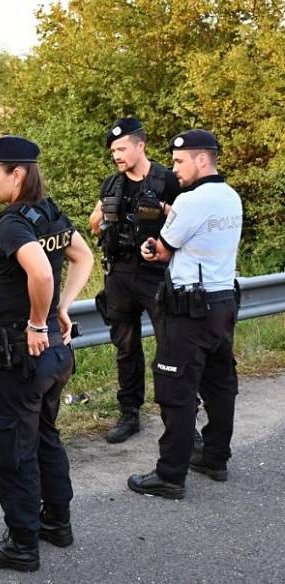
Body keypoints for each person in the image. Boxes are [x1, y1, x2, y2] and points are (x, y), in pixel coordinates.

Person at [0, 135, 94, 572]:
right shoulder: (48, 213)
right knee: (44, 437)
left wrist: (39, 320)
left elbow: (38, 269)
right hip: (54, 355)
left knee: (10, 447)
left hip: (22, 354)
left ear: (17, 174)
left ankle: (21, 545)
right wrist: (61, 308)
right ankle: (57, 523)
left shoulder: (15, 223)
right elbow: (83, 257)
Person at [128, 129, 242, 500]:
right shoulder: (231, 197)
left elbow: (162, 250)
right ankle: (215, 458)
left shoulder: (191, 201)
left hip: (189, 309)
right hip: (224, 302)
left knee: (176, 389)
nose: (175, 169)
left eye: (179, 161)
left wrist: (149, 245)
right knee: (220, 384)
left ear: (201, 160)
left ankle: (170, 475)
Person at [88, 117, 181, 443]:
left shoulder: (167, 180)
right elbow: (94, 226)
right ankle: (130, 413)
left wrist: (161, 210)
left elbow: (186, 223)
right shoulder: (112, 184)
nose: (116, 155)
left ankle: (181, 418)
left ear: (140, 145)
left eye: (122, 148)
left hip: (155, 276)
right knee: (126, 349)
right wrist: (102, 217)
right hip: (119, 275)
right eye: (113, 150)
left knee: (170, 347)